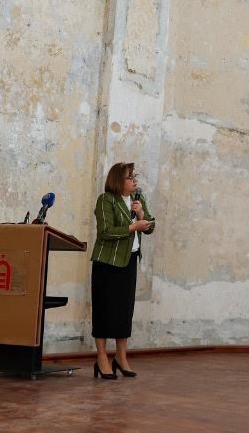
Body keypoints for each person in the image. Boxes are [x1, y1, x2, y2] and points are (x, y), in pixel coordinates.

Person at [90, 161, 155, 379]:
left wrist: (142, 214)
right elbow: (105, 232)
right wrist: (132, 227)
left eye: (135, 176)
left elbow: (150, 227)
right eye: (130, 177)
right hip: (107, 263)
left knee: (124, 311)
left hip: (128, 261)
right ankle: (101, 358)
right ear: (119, 181)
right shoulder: (106, 200)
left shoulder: (137, 199)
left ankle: (121, 357)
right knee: (104, 310)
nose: (135, 180)